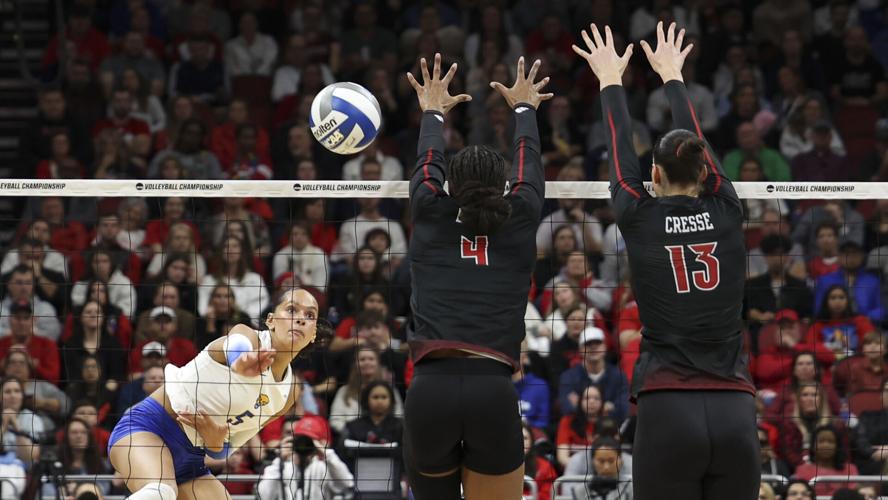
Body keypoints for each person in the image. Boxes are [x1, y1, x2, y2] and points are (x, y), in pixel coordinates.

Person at [574, 22, 757, 499]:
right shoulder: (727, 208)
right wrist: (673, 75)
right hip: (734, 409)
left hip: (667, 405)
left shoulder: (639, 216)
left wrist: (609, 79)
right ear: (704, 170)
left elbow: (620, 149)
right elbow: (697, 145)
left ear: (653, 173)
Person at [402, 53, 550, 500]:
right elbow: (529, 167)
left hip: (431, 391)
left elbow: (427, 162)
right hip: (492, 392)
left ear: (450, 185)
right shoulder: (520, 215)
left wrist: (432, 111)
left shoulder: (429, 210)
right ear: (502, 186)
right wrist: (524, 109)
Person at [107, 289, 327, 499]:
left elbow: (224, 449)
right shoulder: (248, 336)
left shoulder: (288, 393)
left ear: (314, 333)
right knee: (160, 492)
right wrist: (240, 363)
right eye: (291, 310)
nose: (300, 319)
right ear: (271, 320)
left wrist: (215, 442)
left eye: (310, 315)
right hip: (148, 429)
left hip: (191, 459)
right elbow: (236, 344)